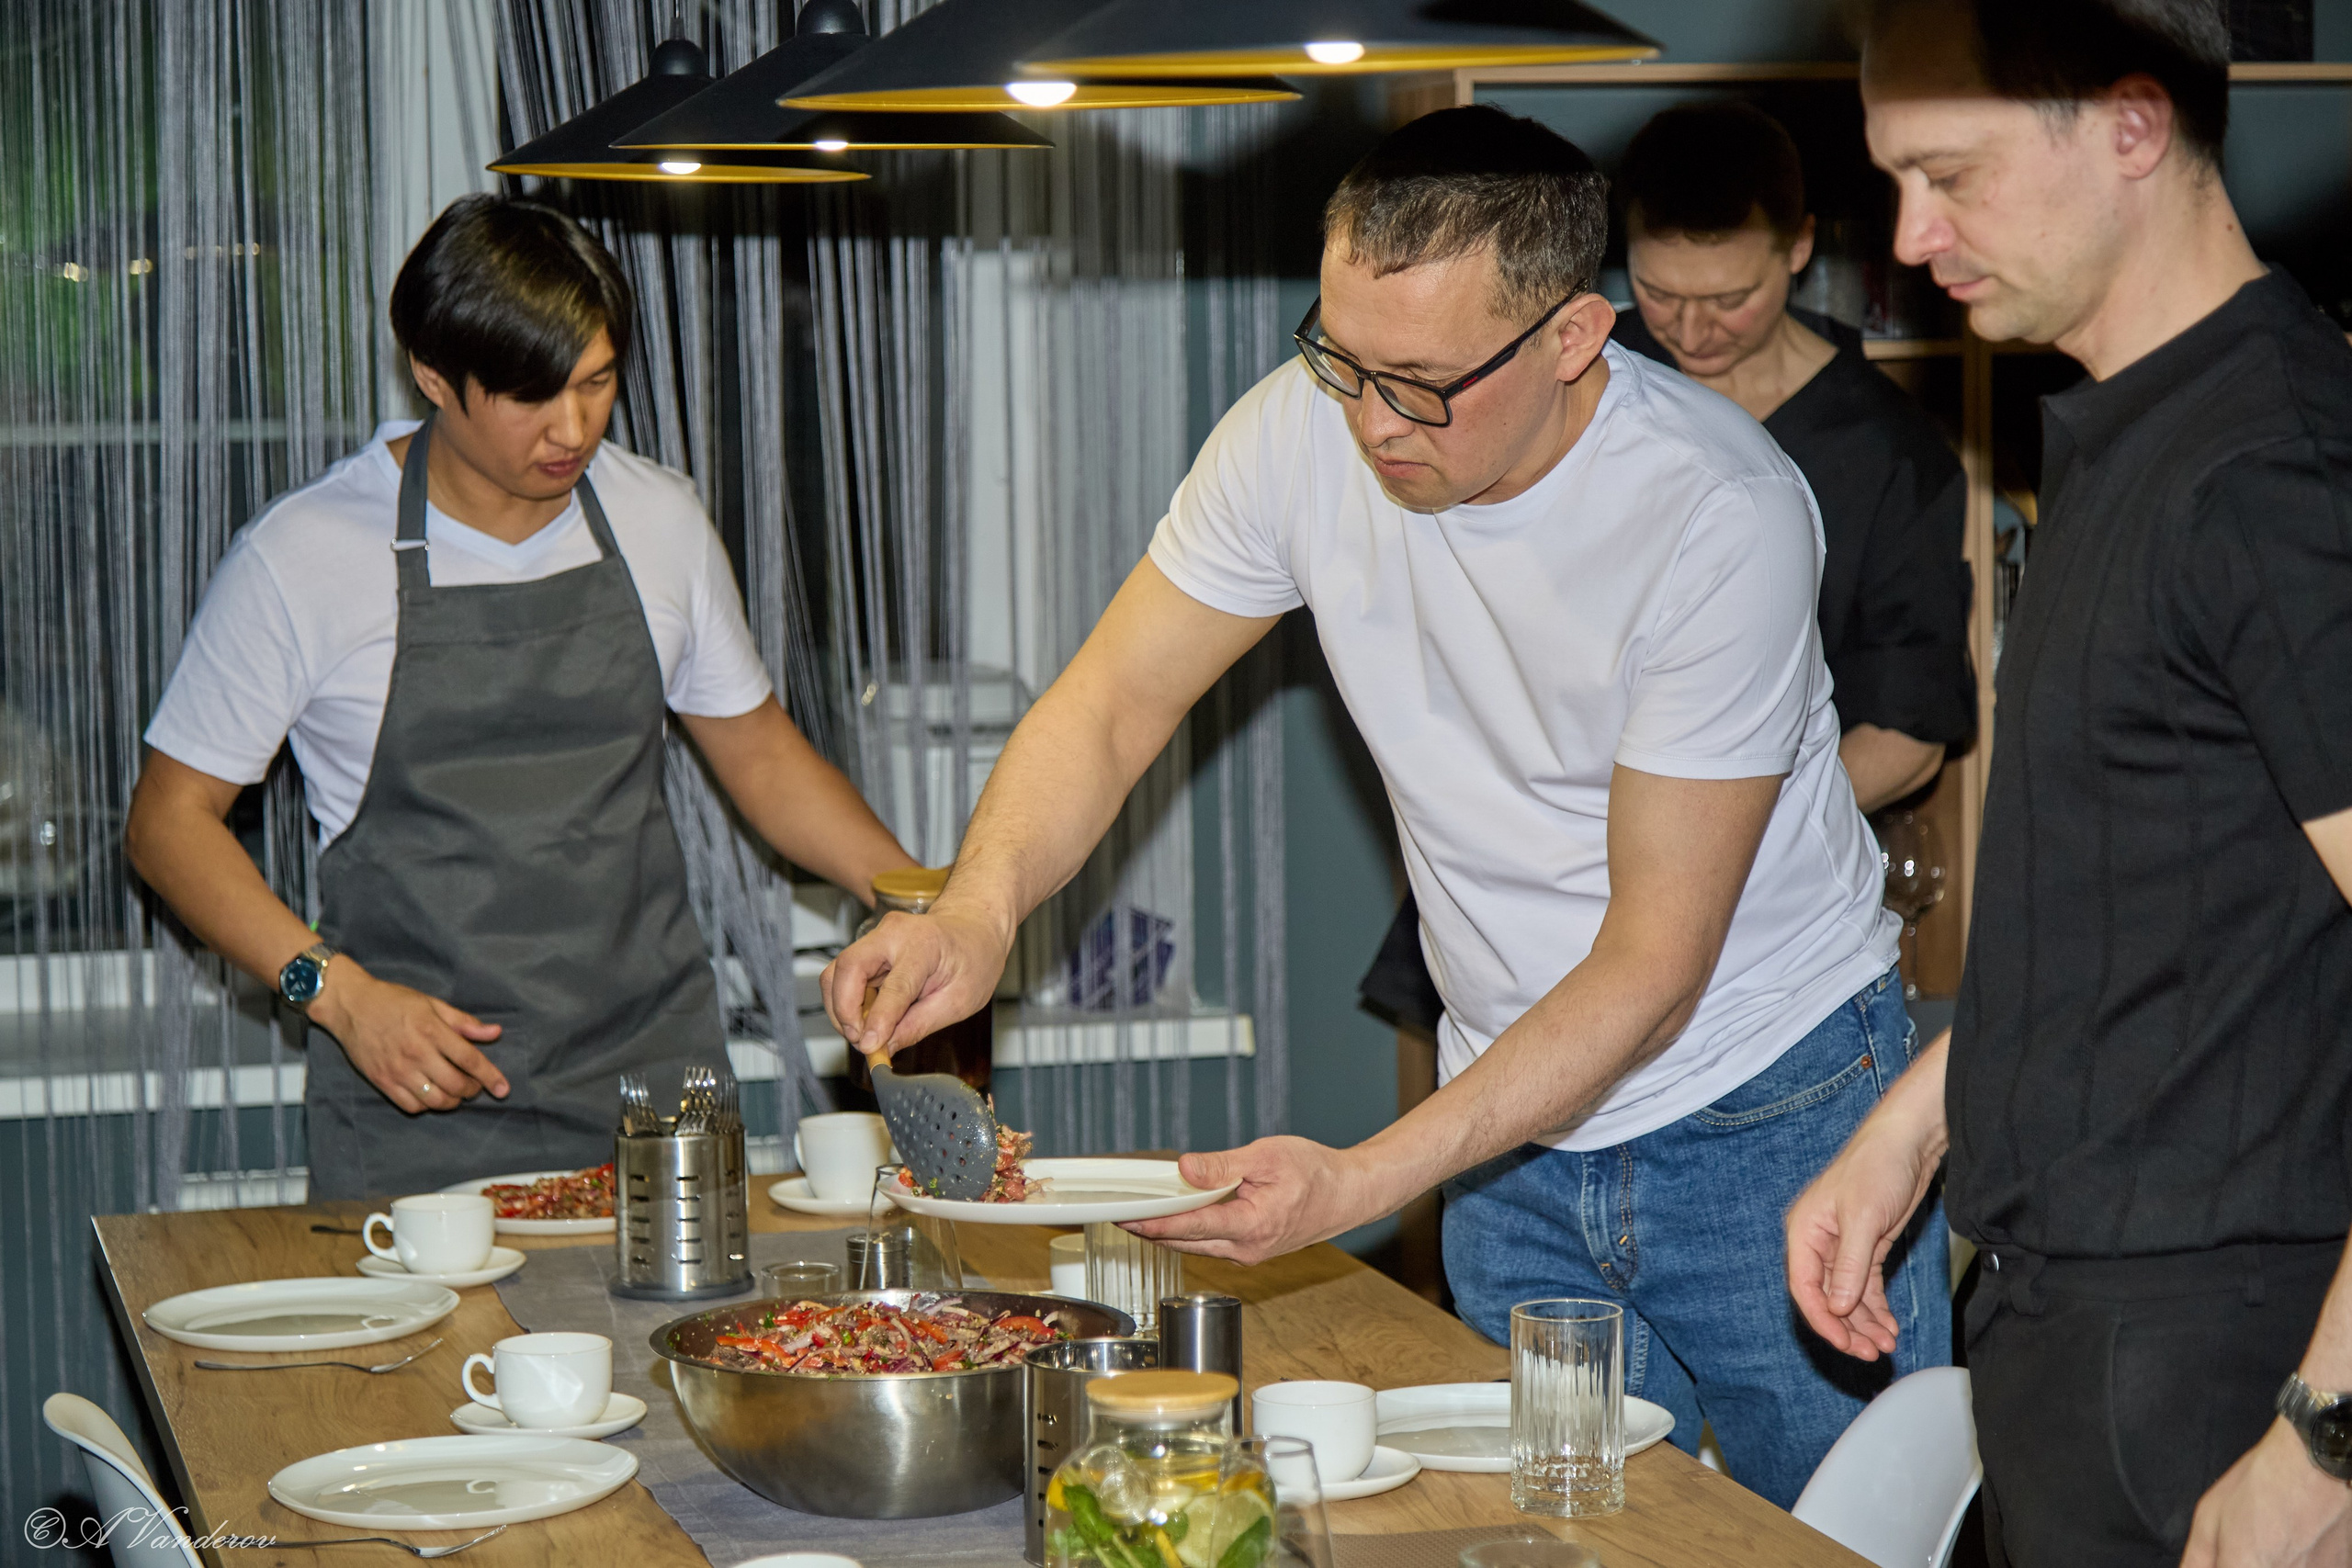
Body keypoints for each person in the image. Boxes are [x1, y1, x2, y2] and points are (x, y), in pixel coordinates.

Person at [827, 106, 1948, 1507]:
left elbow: (1656, 967)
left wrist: (1358, 1182)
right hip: (1513, 1122)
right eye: (1340, 356)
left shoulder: (1717, 513)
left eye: (1417, 383)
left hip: (1772, 1102)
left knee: (1835, 1532)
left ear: (1571, 338)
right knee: (1546, 1533)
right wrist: (978, 908)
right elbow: (1114, 700)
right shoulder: (1302, 429)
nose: (1365, 420)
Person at [1783, 3, 2352, 1563]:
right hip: (2078, 1324)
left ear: (2131, 123)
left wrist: (2327, 1439)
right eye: (1895, 180)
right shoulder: (2131, 432)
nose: (1910, 235)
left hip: (2224, 1356)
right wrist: (1920, 1120)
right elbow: (2150, 904)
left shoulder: (2272, 473)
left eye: (1949, 174)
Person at [125, 195, 914, 1201]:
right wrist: (337, 995)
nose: (573, 427)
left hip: (657, 1093)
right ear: (433, 379)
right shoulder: (303, 558)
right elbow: (165, 825)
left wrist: (923, 902)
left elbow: (759, 754)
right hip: (421, 1101)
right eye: (533, 397)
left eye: (596, 383)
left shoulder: (657, 520)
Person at [1362, 101, 1977, 1037]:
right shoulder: (1556, 376)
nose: (1691, 332)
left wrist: (1687, 834)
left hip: (1751, 921)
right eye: (1658, 294)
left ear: (1799, 249)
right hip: (1499, 900)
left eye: (1729, 298)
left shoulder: (1887, 453)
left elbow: (1910, 731)